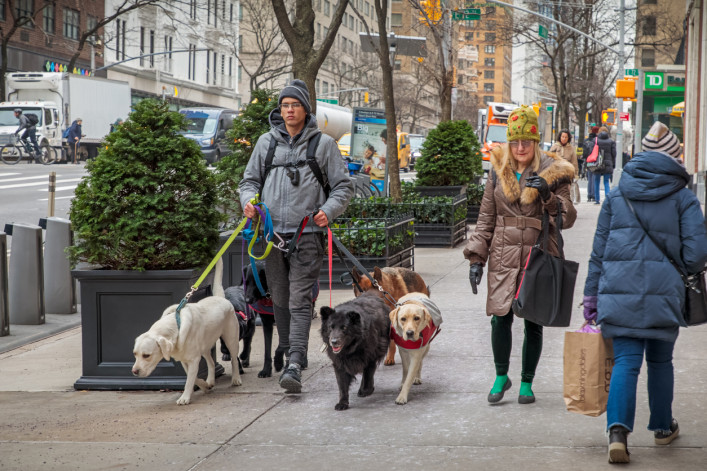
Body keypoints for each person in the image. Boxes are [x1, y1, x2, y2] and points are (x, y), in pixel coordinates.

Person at [583, 121, 707, 464]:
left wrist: (591, 297)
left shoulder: (619, 193)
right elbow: (697, 255)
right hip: (665, 293)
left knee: (626, 361)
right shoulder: (684, 197)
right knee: (660, 361)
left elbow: (599, 250)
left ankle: (618, 433)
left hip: (616, 292)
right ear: (672, 157)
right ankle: (663, 428)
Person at [239, 79, 354, 393]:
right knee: (279, 299)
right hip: (271, 237)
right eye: (285, 105)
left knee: (300, 298)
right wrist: (248, 202)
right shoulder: (266, 143)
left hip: (308, 234)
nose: (290, 110)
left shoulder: (323, 145)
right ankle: (293, 353)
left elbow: (344, 187)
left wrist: (327, 211)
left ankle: (294, 361)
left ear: (306, 109)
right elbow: (248, 181)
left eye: (296, 105)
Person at [464, 105, 577, 404]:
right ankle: (502, 376)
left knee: (533, 320)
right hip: (503, 253)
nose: (520, 147)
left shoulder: (555, 170)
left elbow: (568, 217)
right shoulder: (497, 169)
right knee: (500, 317)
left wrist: (548, 196)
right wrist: (477, 258)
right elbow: (486, 217)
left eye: (526, 140)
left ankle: (527, 382)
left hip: (539, 253)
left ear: (536, 141)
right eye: (515, 141)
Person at [592, 126, 616, 205]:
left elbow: (591, 151)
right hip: (608, 163)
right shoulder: (611, 141)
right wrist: (612, 163)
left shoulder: (595, 141)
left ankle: (597, 199)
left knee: (597, 181)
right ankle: (607, 199)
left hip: (597, 163)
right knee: (606, 181)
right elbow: (614, 154)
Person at [582, 126, 600, 202]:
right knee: (594, 177)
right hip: (595, 160)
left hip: (588, 161)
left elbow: (584, 152)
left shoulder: (586, 141)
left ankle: (589, 195)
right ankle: (593, 195)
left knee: (589, 178)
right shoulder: (596, 140)